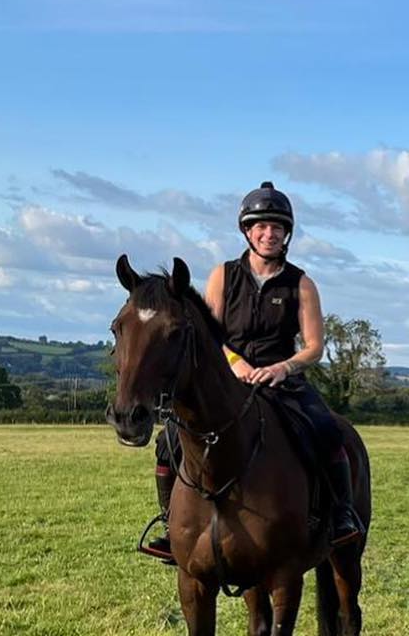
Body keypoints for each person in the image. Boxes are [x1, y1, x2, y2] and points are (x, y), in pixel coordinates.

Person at [141, 181, 363, 560]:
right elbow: (211, 335)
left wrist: (283, 367)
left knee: (328, 431)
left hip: (283, 381)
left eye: (276, 227)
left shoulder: (301, 283)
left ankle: (341, 515)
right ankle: (168, 524)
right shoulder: (223, 276)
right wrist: (236, 364)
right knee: (169, 440)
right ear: (247, 231)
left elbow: (313, 346)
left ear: (286, 233)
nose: (268, 234)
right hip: (229, 380)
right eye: (260, 226)